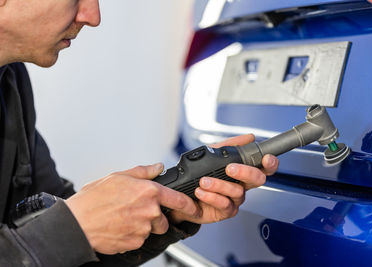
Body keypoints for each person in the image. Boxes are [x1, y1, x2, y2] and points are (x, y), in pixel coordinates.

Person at [0, 0, 279, 266]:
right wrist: (75, 229)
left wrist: (171, 208)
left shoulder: (10, 81)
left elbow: (46, 236)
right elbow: (58, 235)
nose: (92, 17)